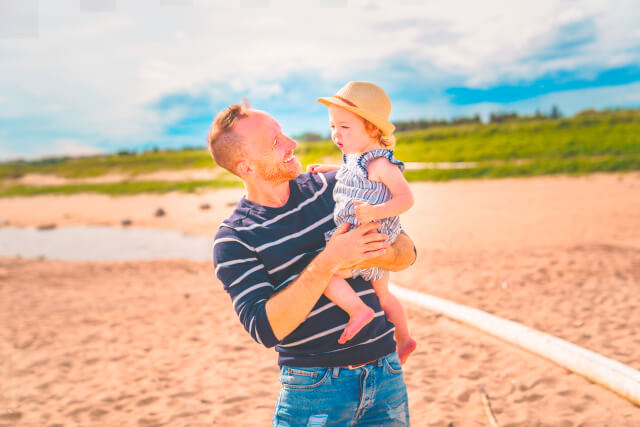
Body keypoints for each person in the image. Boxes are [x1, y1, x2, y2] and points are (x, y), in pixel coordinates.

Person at [209, 100, 416, 425]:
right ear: (247, 167)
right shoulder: (235, 238)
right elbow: (266, 329)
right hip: (314, 390)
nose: (292, 143)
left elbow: (407, 251)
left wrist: (377, 252)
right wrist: (329, 261)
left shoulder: (333, 187)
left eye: (284, 133)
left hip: (386, 374)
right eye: (276, 142)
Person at [307, 81, 417, 365]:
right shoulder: (355, 158)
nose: (335, 134)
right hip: (368, 238)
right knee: (384, 297)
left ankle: (358, 310)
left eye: (344, 127)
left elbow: (406, 199)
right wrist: (329, 169)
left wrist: (375, 211)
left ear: (372, 128)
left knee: (324, 273)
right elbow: (350, 172)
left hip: (368, 236)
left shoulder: (382, 164)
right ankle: (405, 340)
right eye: (333, 126)